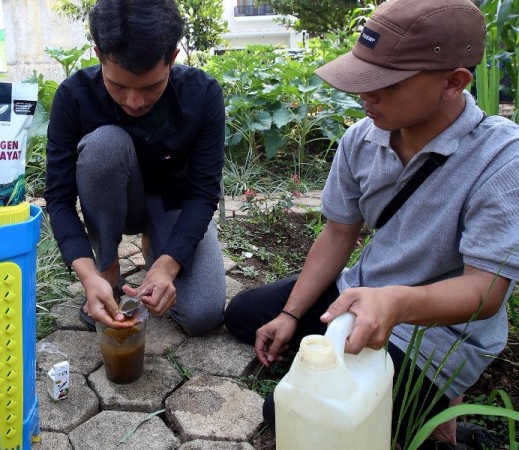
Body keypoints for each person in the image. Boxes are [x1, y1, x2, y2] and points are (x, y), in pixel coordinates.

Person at [224, 0, 519, 447]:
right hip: (361, 293)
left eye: (387, 85)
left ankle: (445, 429)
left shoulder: (501, 160)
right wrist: (290, 314)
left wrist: (396, 304)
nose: (366, 97)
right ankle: (388, 394)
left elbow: (485, 292)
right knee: (247, 316)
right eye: (364, 79)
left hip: (438, 333)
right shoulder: (362, 138)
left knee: (288, 413)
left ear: (453, 82)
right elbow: (339, 231)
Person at [44, 0, 226, 336]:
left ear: (172, 59)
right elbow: (58, 197)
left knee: (203, 314)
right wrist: (88, 274)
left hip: (172, 203)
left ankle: (155, 246)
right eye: (118, 86)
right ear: (99, 55)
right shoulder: (74, 96)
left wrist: (168, 264)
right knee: (105, 145)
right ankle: (108, 269)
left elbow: (203, 193)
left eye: (150, 87)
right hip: (111, 202)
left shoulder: (202, 94)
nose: (134, 102)